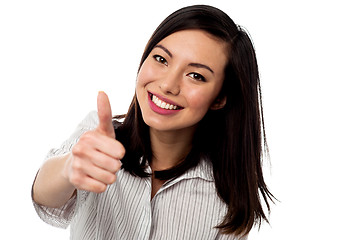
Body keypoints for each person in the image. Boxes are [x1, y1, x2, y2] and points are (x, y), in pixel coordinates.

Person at [32, 4, 274, 239]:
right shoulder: (98, 139)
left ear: (220, 98)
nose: (168, 85)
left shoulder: (228, 198)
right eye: (161, 59)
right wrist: (69, 168)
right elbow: (45, 200)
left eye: (196, 76)